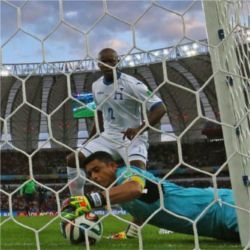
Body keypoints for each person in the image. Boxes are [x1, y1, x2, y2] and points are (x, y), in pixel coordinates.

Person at [62, 151, 240, 242]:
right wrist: (129, 233)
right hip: (217, 229)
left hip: (221, 206)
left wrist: (90, 200)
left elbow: (136, 189)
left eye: (96, 170)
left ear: (112, 166)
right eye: (89, 174)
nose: (93, 177)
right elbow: (144, 207)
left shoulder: (128, 173)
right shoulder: (118, 191)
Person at [66, 48, 166, 194]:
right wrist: (91, 138)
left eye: (111, 60)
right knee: (73, 159)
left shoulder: (132, 84)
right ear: (98, 64)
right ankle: (79, 205)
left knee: (138, 179)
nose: (107, 64)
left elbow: (160, 108)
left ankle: (145, 207)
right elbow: (99, 112)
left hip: (132, 139)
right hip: (108, 137)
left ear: (117, 61)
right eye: (103, 62)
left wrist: (139, 129)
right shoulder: (96, 86)